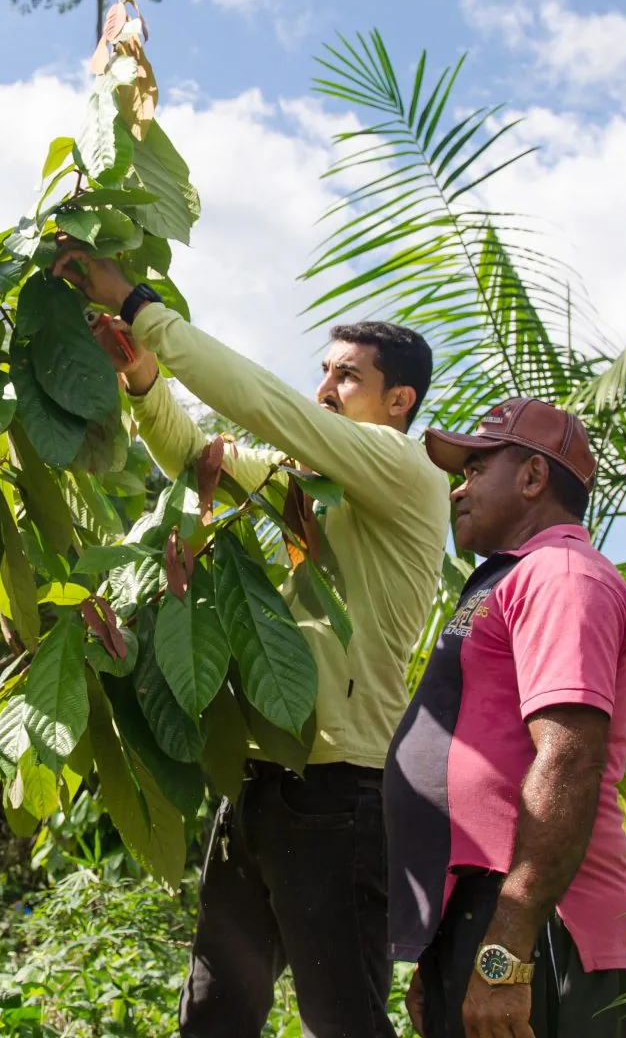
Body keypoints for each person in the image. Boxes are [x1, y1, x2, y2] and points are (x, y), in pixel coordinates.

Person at [53, 246, 451, 1038]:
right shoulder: (311, 492)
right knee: (215, 1013)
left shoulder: (407, 470)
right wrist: (140, 376)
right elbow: (197, 460)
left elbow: (273, 410)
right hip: (264, 776)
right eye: (325, 371)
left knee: (343, 1021)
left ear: (400, 401)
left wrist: (139, 304)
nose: (325, 390)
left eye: (348, 378)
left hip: (342, 789)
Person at [387, 398, 626, 1038]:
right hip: (488, 915)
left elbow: (569, 758)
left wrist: (504, 954)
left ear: (532, 477)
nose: (458, 489)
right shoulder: (513, 578)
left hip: (540, 926)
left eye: (475, 469)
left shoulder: (562, 576)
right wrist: (447, 950)